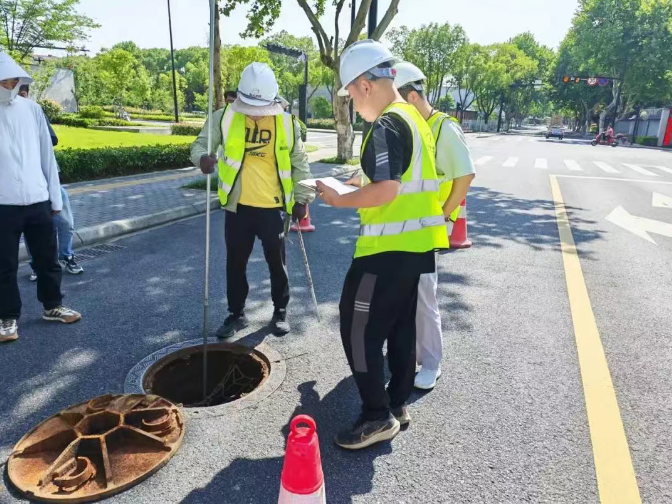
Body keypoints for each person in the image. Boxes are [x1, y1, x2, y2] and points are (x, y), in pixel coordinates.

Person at [316, 40, 449, 450]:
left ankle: (376, 416)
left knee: (357, 328)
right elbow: (403, 179)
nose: (353, 105)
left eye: (351, 95)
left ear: (365, 85)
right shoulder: (413, 118)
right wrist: (359, 180)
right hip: (417, 247)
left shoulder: (386, 124)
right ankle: (396, 404)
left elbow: (388, 190)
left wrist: (337, 198)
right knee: (400, 327)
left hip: (385, 252)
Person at [191, 62, 314, 338]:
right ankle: (236, 314)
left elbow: (300, 163)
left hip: (274, 207)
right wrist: (202, 158)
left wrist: (302, 198)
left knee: (277, 264)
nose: (256, 113)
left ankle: (280, 312)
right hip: (238, 207)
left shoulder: (287, 123)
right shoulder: (224, 117)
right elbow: (200, 144)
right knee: (235, 264)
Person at [393, 61, 475, 390]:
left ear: (412, 97)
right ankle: (409, 352)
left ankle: (431, 362)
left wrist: (444, 213)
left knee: (424, 296)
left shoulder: (444, 128)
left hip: (426, 228)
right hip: (401, 225)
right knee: (403, 294)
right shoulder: (408, 126)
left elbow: (465, 174)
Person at [0, 52, 81, 343]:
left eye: (13, 79)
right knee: (4, 265)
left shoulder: (32, 109)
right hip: (3, 204)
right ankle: (7, 317)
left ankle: (52, 306)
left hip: (38, 200)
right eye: (4, 80)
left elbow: (47, 156)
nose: (10, 84)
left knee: (48, 259)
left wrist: (55, 199)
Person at [19, 84, 83, 279]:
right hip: (26, 185)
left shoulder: (35, 112)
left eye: (23, 94)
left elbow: (52, 140)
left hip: (50, 180)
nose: (20, 98)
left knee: (65, 223)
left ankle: (66, 256)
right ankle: (36, 265)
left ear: (28, 94)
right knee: (32, 229)